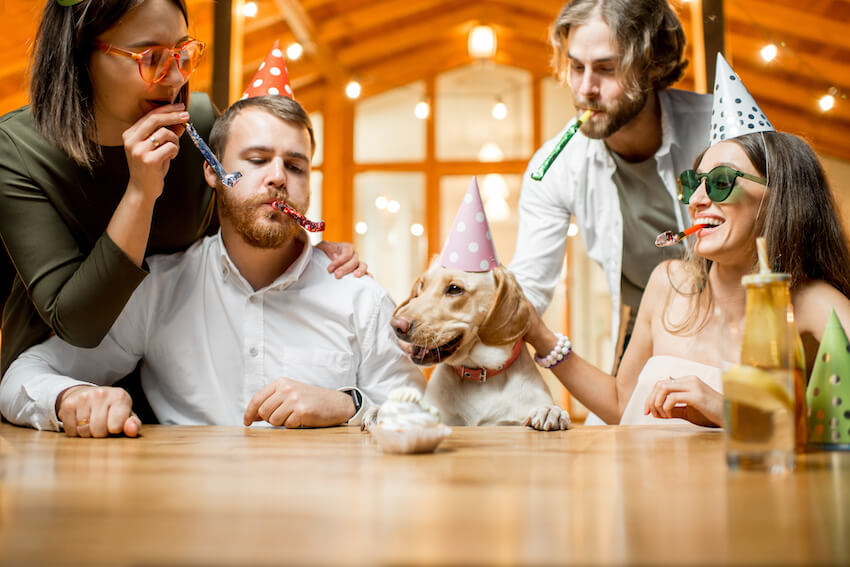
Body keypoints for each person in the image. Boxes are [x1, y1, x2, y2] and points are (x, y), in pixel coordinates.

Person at [0, 0, 363, 404]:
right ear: (82, 51)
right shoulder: (15, 150)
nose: (174, 77)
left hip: (171, 396)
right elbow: (80, 325)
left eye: (182, 53)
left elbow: (240, 232)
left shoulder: (199, 123)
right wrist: (141, 193)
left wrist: (307, 254)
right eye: (152, 57)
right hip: (53, 390)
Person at [0, 94, 424, 437]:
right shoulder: (159, 289)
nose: (278, 177)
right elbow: (25, 376)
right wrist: (70, 398)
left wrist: (349, 403)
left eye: (295, 165)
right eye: (257, 160)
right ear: (212, 171)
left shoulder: (359, 296)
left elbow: (424, 414)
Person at [523, 129, 850, 426]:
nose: (696, 201)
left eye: (721, 182)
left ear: (779, 196)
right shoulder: (669, 282)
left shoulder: (812, 303)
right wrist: (541, 336)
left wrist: (726, 411)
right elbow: (622, 405)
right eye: (695, 183)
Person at [509, 0, 712, 357]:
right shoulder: (554, 166)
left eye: (607, 69)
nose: (585, 88)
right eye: (575, 67)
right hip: (647, 330)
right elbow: (529, 289)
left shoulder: (721, 131)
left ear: (654, 65)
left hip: (737, 317)